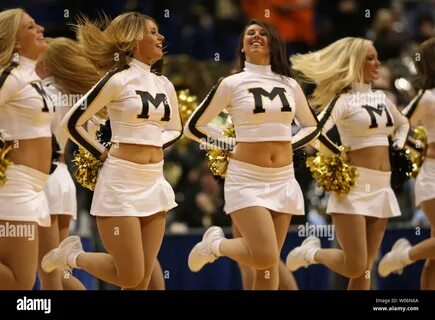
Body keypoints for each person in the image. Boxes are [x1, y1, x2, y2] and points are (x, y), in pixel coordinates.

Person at [41, 12, 182, 290]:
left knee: (140, 281)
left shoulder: (164, 84)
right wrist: (101, 152)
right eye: (152, 32)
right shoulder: (117, 80)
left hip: (154, 180)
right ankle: (72, 256)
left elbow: (176, 128)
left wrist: (153, 142)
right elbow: (74, 121)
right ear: (132, 38)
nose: (160, 37)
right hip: (121, 182)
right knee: (129, 274)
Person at [184, 19, 320, 290]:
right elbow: (193, 126)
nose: (256, 36)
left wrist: (289, 143)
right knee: (264, 255)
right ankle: (215, 246)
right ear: (243, 47)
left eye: (262, 33)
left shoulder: (289, 84)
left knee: (267, 270)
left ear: (273, 43)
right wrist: (228, 144)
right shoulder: (232, 83)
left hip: (283, 178)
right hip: (246, 179)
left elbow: (312, 126)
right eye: (250, 33)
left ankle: (217, 246)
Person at [285, 37, 410, 290]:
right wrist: (335, 154)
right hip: (353, 186)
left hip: (381, 187)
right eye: (371, 58)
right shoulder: (342, 100)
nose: (378, 63)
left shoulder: (383, 99)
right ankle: (312, 253)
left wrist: (397, 145)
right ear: (355, 64)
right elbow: (315, 130)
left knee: (364, 269)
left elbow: (404, 123)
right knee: (354, 264)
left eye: (377, 57)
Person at [35, 37, 102, 290]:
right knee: (58, 270)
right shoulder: (72, 96)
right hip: (63, 178)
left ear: (47, 65)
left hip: (43, 177)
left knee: (49, 271)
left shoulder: (41, 93)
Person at [0, 8, 53, 289]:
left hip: (34, 188)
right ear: (16, 42)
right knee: (20, 282)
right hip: (14, 185)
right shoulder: (10, 75)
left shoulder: (29, 76)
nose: (40, 28)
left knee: (25, 280)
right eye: (31, 27)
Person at [378, 38, 435, 289]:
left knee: (434, 258)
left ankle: (405, 256)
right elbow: (396, 125)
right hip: (433, 174)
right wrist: (419, 148)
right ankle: (403, 256)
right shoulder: (426, 98)